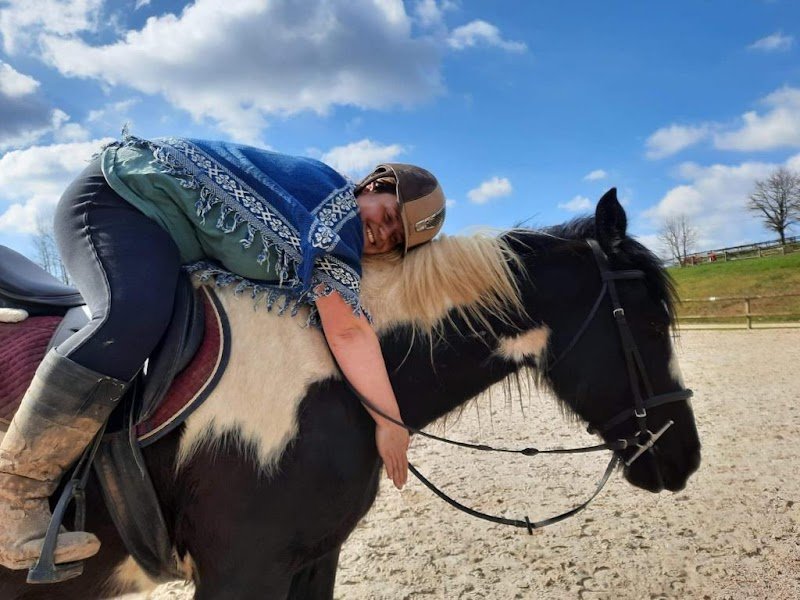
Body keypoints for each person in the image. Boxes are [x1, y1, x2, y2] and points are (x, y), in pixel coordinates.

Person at [0, 135, 445, 570]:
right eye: (387, 215)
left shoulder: (316, 218)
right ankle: (15, 492)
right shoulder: (332, 216)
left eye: (395, 239)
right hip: (119, 201)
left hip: (155, 227)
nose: (382, 233)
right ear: (371, 187)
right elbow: (348, 331)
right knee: (130, 316)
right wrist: (390, 423)